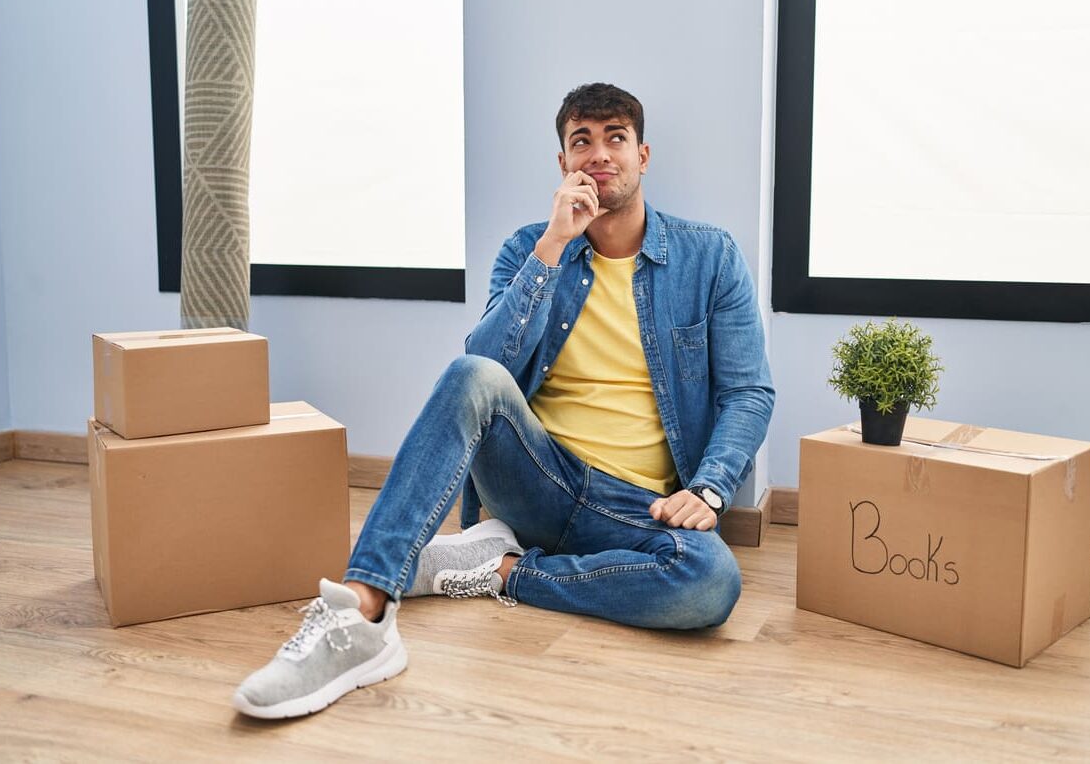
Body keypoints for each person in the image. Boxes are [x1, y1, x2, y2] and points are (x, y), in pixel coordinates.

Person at [231, 83, 775, 719]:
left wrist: (710, 489)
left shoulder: (709, 257)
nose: (599, 154)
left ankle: (502, 570)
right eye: (582, 141)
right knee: (471, 374)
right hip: (538, 477)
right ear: (563, 162)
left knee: (712, 582)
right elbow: (490, 364)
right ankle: (364, 614)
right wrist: (552, 249)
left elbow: (749, 392)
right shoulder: (527, 248)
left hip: (637, 507)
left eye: (615, 139)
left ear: (643, 155)